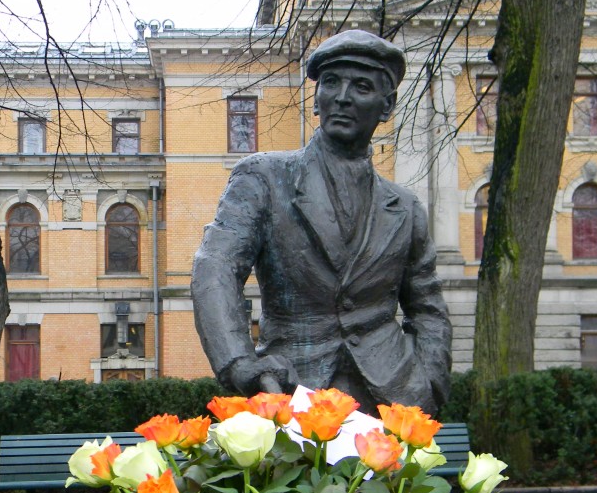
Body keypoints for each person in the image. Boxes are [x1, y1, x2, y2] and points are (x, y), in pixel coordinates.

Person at [191, 30, 452, 415]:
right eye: (331, 83)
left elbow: (427, 307)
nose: (343, 97)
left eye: (361, 87)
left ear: (386, 105)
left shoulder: (406, 208)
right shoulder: (263, 177)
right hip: (292, 391)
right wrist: (239, 362)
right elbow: (215, 268)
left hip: (393, 398)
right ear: (316, 99)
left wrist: (429, 381)